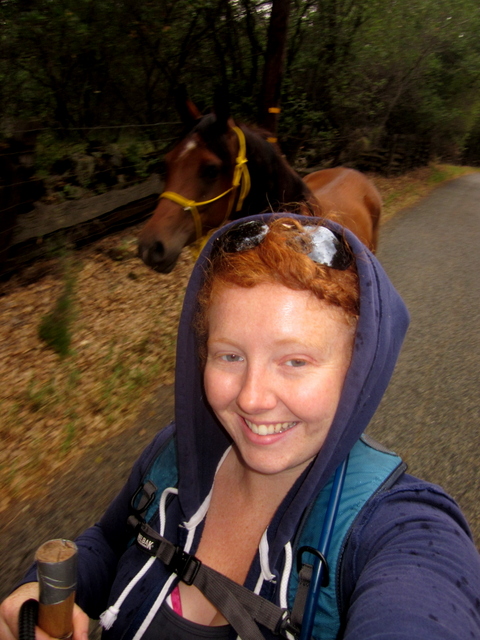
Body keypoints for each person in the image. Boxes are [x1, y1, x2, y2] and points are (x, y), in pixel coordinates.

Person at [1, 214, 479, 640]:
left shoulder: (401, 528)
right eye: (229, 356)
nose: (251, 398)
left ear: (359, 369)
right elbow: (110, 541)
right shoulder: (171, 456)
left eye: (294, 361)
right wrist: (42, 593)